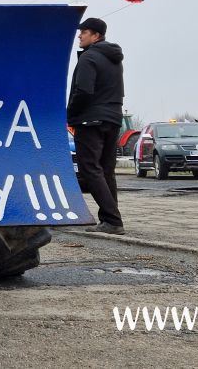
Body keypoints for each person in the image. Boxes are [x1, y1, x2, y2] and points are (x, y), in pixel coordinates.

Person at [68, 17, 125, 235]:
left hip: (90, 120)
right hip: (113, 118)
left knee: (90, 169)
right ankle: (111, 219)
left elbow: (82, 91)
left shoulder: (89, 58)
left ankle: (112, 220)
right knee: (106, 170)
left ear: (96, 36)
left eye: (84, 32)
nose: (80, 36)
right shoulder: (114, 59)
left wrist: (71, 114)